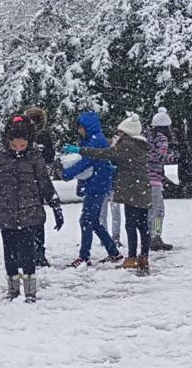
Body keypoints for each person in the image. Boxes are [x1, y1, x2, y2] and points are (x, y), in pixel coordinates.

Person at [0, 115, 63, 302]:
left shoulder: (35, 157)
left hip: (30, 212)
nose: (19, 150)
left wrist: (56, 207)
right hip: (5, 211)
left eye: (22, 146)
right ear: (8, 142)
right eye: (15, 146)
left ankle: (30, 291)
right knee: (10, 252)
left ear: (28, 142)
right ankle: (13, 289)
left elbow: (45, 183)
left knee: (28, 252)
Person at [64, 113, 152, 273]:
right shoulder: (138, 145)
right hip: (138, 189)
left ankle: (89, 256)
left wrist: (71, 166)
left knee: (91, 221)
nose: (117, 135)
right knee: (139, 225)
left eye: (120, 132)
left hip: (110, 187)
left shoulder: (122, 144)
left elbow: (101, 155)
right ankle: (127, 255)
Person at [61, 111, 123, 267]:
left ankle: (84, 257)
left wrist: (68, 173)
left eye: (80, 128)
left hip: (97, 185)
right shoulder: (92, 139)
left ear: (87, 127)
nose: (78, 131)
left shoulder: (96, 141)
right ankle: (113, 252)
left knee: (86, 220)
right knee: (93, 221)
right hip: (96, 184)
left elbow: (86, 162)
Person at [24, 107, 57, 267]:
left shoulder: (24, 136)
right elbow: (50, 157)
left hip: (27, 183)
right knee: (37, 218)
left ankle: (30, 251)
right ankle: (38, 251)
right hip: (37, 182)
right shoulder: (42, 137)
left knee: (28, 218)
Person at [147, 107, 175, 251]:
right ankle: (156, 237)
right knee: (159, 210)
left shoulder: (148, 136)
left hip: (144, 177)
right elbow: (160, 156)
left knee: (149, 209)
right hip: (154, 179)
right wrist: (174, 158)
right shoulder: (162, 138)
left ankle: (147, 236)